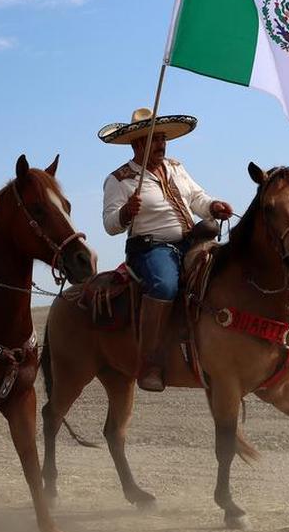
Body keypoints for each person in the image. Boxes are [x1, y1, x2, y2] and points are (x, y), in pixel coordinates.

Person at [99, 108, 233, 392]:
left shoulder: (176, 167)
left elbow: (197, 198)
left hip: (190, 242)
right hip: (151, 248)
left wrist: (213, 206)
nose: (161, 144)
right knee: (164, 285)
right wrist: (125, 213)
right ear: (137, 145)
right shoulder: (119, 180)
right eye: (154, 139)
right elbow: (110, 225)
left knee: (225, 267)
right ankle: (151, 362)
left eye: (162, 138)